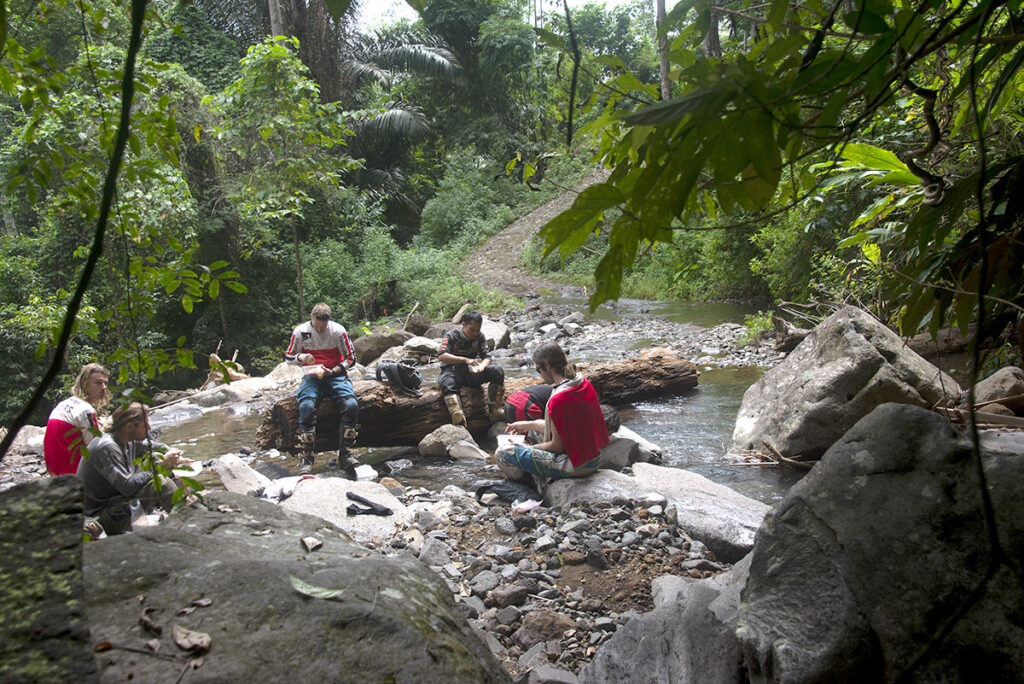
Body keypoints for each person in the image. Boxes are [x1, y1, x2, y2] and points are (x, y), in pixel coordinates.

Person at [497, 342, 609, 481]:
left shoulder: (558, 399)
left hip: (576, 465)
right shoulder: (583, 383)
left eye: (539, 370)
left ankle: (529, 484)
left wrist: (526, 448)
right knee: (532, 432)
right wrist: (527, 425)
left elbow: (557, 446)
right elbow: (564, 429)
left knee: (504, 452)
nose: (540, 375)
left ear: (547, 365)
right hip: (595, 457)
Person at [78, 403, 187, 535]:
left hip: (116, 501)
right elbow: (127, 487)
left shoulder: (127, 438)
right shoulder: (108, 447)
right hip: (102, 516)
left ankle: (185, 509)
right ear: (129, 426)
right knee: (161, 483)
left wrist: (173, 454)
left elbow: (156, 447)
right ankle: (187, 523)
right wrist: (162, 464)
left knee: (154, 457)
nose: (150, 428)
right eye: (145, 425)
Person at [285, 302, 359, 473]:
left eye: (323, 326)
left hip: (335, 374)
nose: (319, 329)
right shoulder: (300, 332)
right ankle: (306, 458)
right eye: (317, 326)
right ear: (312, 318)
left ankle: (346, 454)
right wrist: (302, 357)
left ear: (328, 322)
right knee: (306, 406)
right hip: (311, 376)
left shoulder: (338, 331)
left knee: (351, 405)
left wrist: (333, 371)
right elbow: (288, 357)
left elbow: (351, 358)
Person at [437, 312, 505, 425]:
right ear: (463, 324)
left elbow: (487, 356)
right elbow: (441, 356)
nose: (475, 333)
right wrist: (464, 360)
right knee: (448, 382)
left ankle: (495, 410)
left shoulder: (480, 336)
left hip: (471, 373)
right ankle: (457, 415)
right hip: (452, 372)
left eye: (477, 330)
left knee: (497, 371)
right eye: (472, 329)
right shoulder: (451, 336)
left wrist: (482, 366)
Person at [43, 363, 110, 476]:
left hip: (54, 470)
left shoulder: (63, 404)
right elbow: (94, 447)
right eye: (98, 383)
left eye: (105, 383)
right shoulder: (86, 410)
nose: (104, 387)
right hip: (73, 473)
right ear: (84, 384)